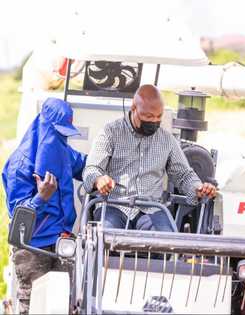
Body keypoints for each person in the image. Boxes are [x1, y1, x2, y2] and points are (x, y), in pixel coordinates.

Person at [82, 84, 216, 232]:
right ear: (134, 108)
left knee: (167, 240)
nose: (154, 121)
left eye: (159, 117)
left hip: (151, 209)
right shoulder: (110, 133)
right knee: (103, 235)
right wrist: (98, 180)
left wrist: (197, 188)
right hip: (113, 205)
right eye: (148, 116)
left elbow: (184, 175)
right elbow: (92, 169)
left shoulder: (167, 140)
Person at [2, 98, 87, 315]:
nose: (61, 138)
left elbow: (84, 165)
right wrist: (40, 198)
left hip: (62, 243)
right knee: (33, 306)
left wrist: (99, 173)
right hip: (32, 248)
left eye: (65, 133)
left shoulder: (63, 153)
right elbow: (18, 215)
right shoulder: (20, 164)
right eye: (58, 132)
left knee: (65, 306)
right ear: (44, 125)